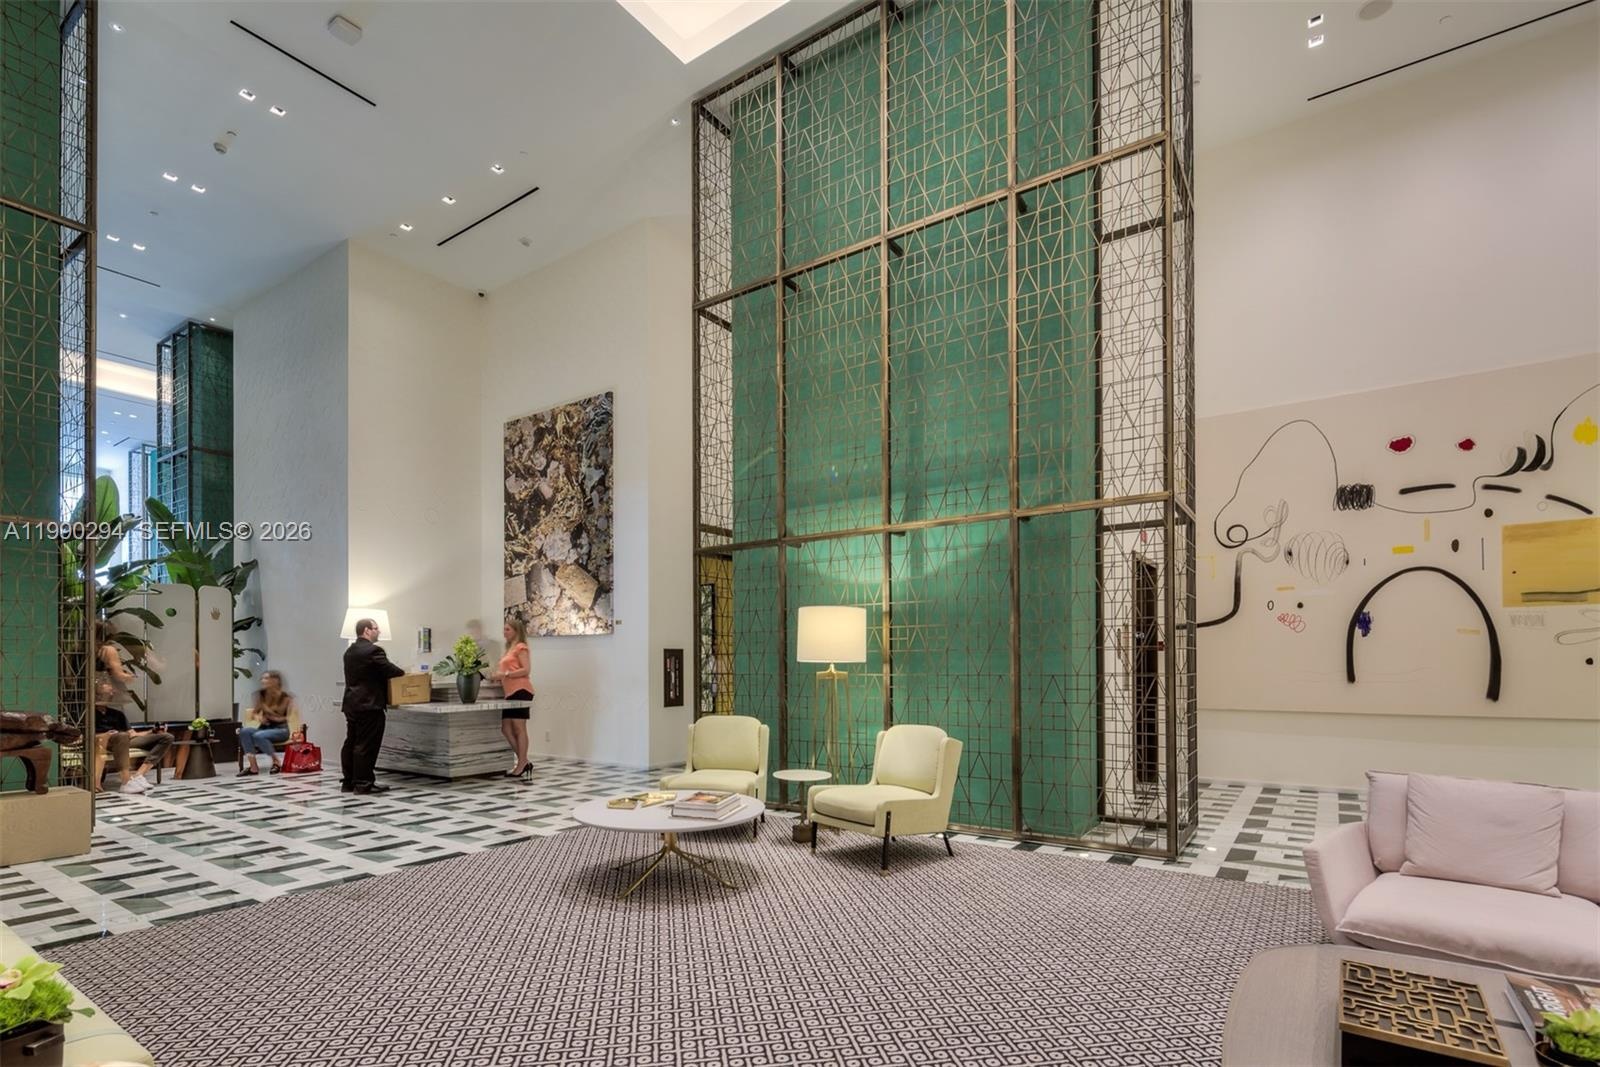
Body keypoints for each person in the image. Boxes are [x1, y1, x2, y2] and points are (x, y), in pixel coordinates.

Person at [340, 617, 404, 795]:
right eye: (376, 628)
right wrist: (403, 671)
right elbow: (392, 670)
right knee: (366, 745)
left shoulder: (349, 651)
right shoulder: (373, 650)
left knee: (351, 742)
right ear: (367, 630)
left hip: (351, 703)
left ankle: (349, 782)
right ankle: (364, 783)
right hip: (369, 705)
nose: (379, 631)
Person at [92, 679, 173, 795]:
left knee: (166, 737)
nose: (111, 694)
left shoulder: (117, 714)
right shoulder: (90, 713)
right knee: (121, 736)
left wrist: (152, 731)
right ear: (97, 694)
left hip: (123, 741)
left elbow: (132, 734)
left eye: (111, 693)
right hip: (103, 741)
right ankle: (126, 781)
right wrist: (106, 735)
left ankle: (138, 775)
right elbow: (86, 735)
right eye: (107, 692)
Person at [489, 616, 534, 781]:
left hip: (521, 690)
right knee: (506, 729)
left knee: (519, 728)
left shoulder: (521, 647)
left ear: (516, 631)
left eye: (507, 629)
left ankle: (521, 764)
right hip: (510, 693)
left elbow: (526, 670)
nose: (504, 632)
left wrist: (505, 674)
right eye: (504, 629)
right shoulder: (509, 649)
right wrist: (496, 676)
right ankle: (524, 761)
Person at [238, 670, 299, 776]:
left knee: (258, 735)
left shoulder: (285, 697)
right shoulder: (261, 694)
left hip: (281, 730)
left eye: (266, 678)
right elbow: (255, 713)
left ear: (275, 680)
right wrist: (259, 717)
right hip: (264, 728)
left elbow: (282, 717)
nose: (263, 680)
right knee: (244, 732)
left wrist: (267, 711)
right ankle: (253, 767)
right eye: (262, 678)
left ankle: (276, 762)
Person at [95, 621, 136, 713]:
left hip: (87, 694)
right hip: (105, 697)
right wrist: (129, 676)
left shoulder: (81, 648)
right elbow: (118, 675)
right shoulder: (108, 650)